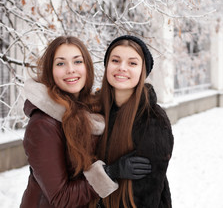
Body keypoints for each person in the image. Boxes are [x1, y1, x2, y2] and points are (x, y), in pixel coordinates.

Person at [20, 36, 151, 208]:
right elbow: (61, 198)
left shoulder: (90, 110)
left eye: (77, 61)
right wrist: (110, 172)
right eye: (60, 63)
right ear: (50, 70)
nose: (70, 70)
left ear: (87, 67)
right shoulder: (44, 125)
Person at [90, 35, 174, 208]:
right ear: (107, 65)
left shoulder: (153, 120)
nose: (122, 68)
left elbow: (147, 195)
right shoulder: (92, 111)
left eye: (132, 63)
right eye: (115, 60)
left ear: (142, 70)